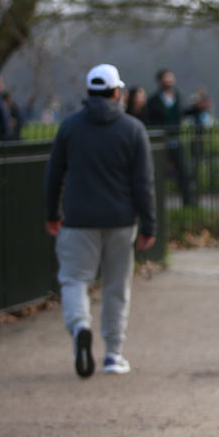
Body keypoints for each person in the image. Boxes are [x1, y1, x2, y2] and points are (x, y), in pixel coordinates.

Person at [44, 64, 158, 376]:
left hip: (78, 219)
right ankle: (113, 354)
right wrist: (149, 225)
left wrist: (52, 213)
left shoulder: (69, 127)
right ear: (117, 92)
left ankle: (80, 324)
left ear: (88, 93)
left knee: (74, 279)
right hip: (121, 220)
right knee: (116, 286)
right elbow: (143, 184)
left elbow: (55, 175)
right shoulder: (133, 129)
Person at [144, 68, 199, 205]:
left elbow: (182, 113)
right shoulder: (153, 101)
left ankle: (188, 203)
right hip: (161, 142)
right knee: (158, 173)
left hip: (176, 140)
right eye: (166, 78)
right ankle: (157, 203)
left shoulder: (177, 97)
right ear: (160, 81)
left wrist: (197, 109)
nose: (169, 81)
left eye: (170, 78)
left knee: (183, 171)